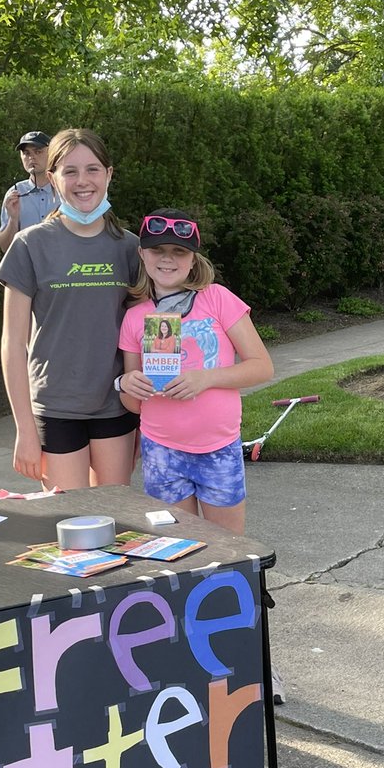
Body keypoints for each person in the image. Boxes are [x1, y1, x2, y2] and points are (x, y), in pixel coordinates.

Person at [0, 128, 141, 491]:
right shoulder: (29, 245)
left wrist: (145, 415)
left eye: (93, 169)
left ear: (109, 174)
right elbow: (13, 345)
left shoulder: (131, 248)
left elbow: (143, 340)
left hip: (116, 407)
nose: (82, 181)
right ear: (53, 178)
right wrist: (25, 430)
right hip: (54, 409)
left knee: (115, 521)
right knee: (69, 530)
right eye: (70, 171)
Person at [117, 208, 274, 535]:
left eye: (179, 251)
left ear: (193, 259)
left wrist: (205, 378)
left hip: (217, 449)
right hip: (161, 452)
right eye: (158, 250)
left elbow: (262, 367)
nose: (167, 259)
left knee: (228, 549)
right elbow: (133, 404)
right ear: (142, 254)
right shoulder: (136, 318)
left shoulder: (217, 299)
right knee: (179, 552)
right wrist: (127, 383)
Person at [0, 131, 59, 253]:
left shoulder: (66, 189)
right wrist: (13, 219)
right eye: (26, 153)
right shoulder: (14, 193)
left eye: (38, 151)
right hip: (26, 268)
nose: (32, 157)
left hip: (61, 267)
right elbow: (5, 248)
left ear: (52, 154)